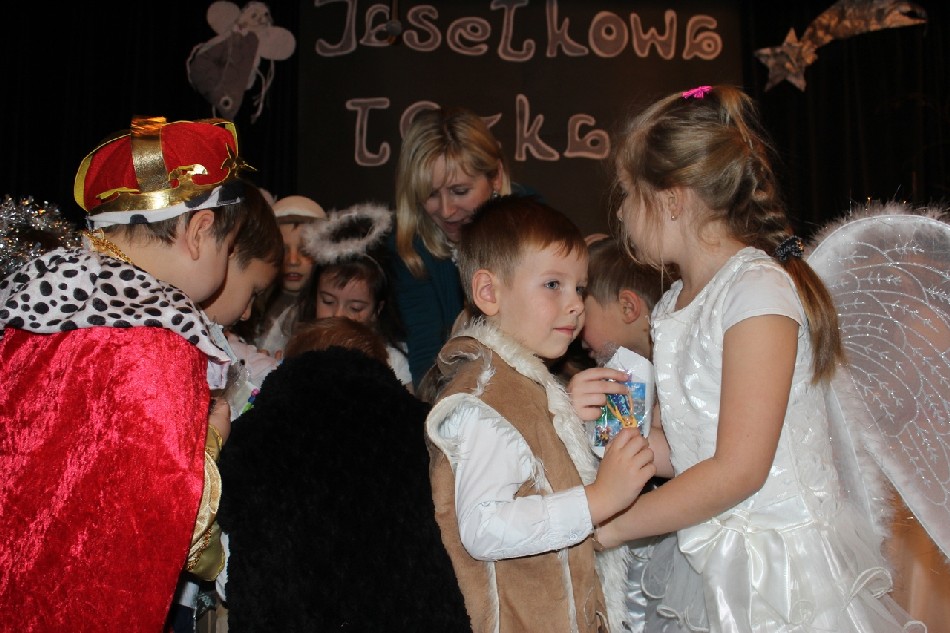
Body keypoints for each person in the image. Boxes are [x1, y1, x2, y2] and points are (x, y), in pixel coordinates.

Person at [594, 85, 923, 632]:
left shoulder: (756, 291)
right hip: (715, 554)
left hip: (780, 573)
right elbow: (690, 447)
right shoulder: (674, 303)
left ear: (672, 200)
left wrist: (611, 525)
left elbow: (740, 469)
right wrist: (609, 442)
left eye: (628, 193)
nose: (622, 213)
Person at [0, 115, 250, 630]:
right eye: (229, 249)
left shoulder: (30, 310)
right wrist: (210, 443)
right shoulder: (158, 343)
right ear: (200, 231)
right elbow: (168, 512)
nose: (226, 264)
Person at [424, 195, 656, 633]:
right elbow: (484, 527)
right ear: (489, 293)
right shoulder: (485, 398)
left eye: (580, 289)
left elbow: (537, 474)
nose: (576, 304)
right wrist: (600, 499)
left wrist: (568, 415)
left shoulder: (527, 386)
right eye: (553, 285)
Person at [216, 318, 471, 631]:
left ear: (289, 365)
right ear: (381, 365)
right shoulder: (427, 429)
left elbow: (222, 525)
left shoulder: (254, 434)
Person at [168, 181, 283, 632]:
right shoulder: (175, 347)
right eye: (253, 291)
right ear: (225, 252)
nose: (250, 312)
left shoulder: (209, 346)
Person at [389, 106, 514, 386]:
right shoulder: (411, 250)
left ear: (495, 177)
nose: (446, 211)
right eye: (430, 194)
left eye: (460, 191)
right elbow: (427, 364)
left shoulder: (535, 229)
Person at [296, 202, 413, 390]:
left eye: (355, 308)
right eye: (328, 301)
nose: (338, 315)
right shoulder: (300, 350)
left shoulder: (393, 363)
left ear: (377, 309)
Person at [254, 194, 326, 357]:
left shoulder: (325, 313)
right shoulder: (251, 307)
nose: (293, 261)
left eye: (305, 251)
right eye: (283, 250)